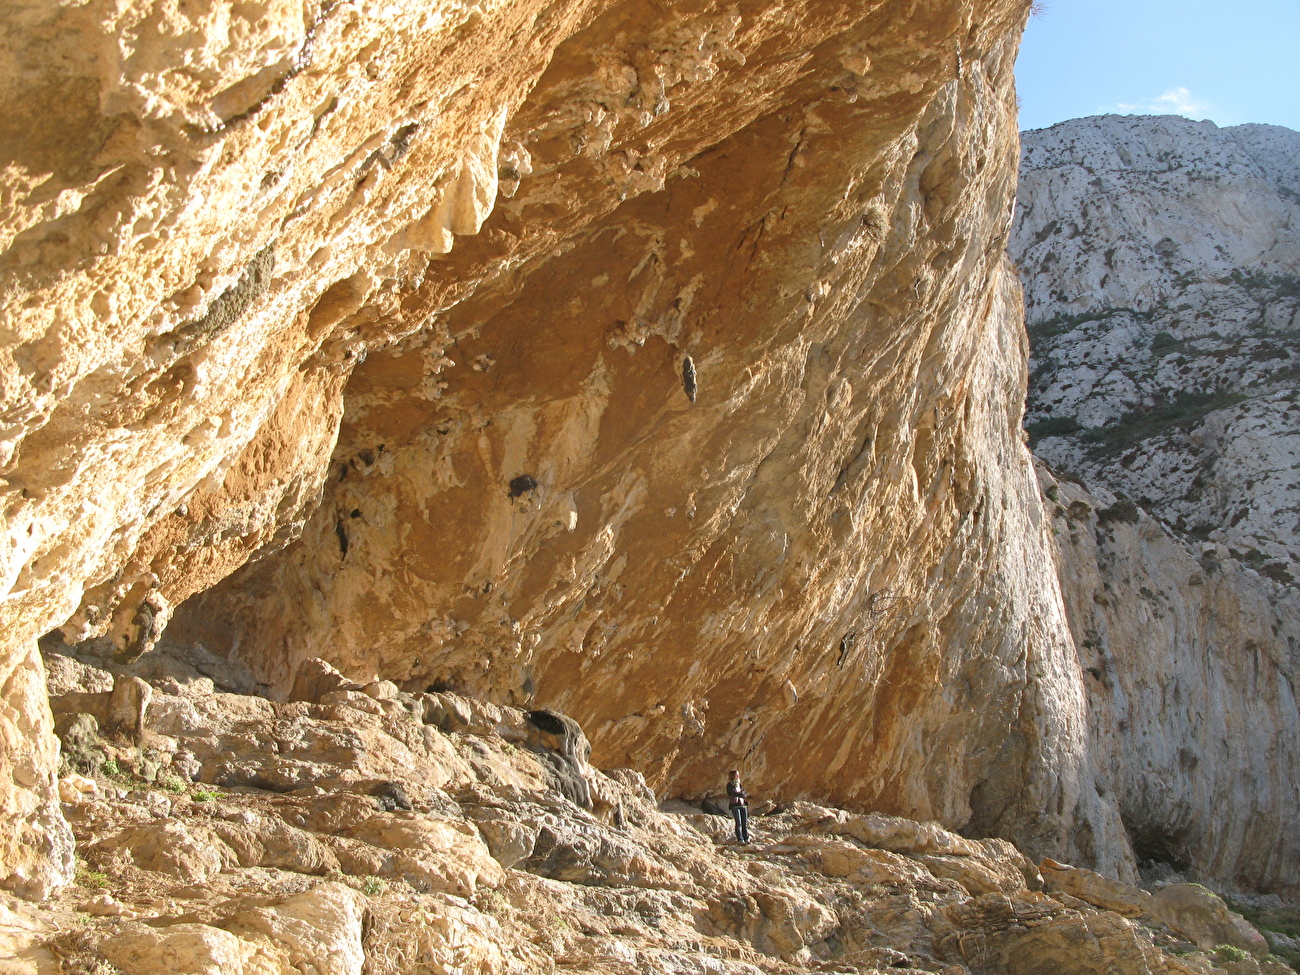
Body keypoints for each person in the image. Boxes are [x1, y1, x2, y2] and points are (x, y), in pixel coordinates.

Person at [726, 770, 750, 844]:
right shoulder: (729, 785)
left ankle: (746, 838)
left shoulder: (739, 784)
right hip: (735, 806)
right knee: (738, 823)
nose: (738, 776)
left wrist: (740, 794)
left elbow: (744, 793)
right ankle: (740, 839)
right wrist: (741, 794)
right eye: (737, 774)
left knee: (744, 823)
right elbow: (733, 793)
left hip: (743, 805)